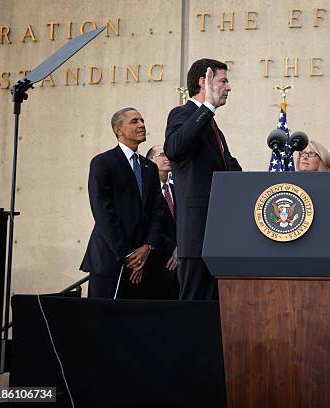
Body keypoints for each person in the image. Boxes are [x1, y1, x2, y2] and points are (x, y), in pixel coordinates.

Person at [163, 58, 242, 301]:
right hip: (197, 236)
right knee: (192, 311)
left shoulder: (213, 126)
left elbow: (229, 171)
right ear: (204, 82)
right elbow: (174, 148)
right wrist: (207, 106)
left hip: (219, 236)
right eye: (223, 81)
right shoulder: (182, 114)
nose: (228, 88)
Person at [80, 108, 163, 299]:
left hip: (145, 262)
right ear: (119, 129)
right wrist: (129, 255)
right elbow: (103, 213)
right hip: (110, 259)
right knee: (103, 323)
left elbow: (158, 211)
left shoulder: (149, 168)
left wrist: (147, 247)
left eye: (142, 120)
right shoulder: (103, 162)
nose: (142, 125)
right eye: (134, 121)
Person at [145, 145, 179, 299]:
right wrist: (172, 248)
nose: (168, 158)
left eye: (169, 154)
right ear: (150, 160)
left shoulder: (178, 189)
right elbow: (150, 224)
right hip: (159, 260)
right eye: (162, 155)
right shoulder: (147, 190)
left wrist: (181, 249)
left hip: (181, 259)